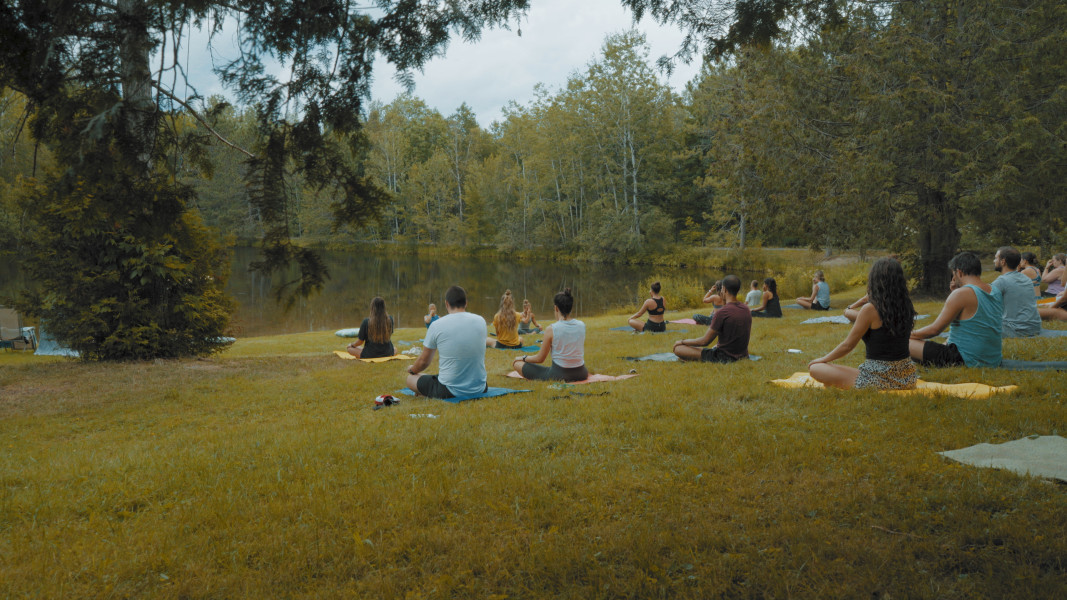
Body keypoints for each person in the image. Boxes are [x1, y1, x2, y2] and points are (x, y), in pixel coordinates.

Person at [808, 258, 918, 389]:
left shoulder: (870, 309)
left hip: (879, 379)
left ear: (875, 280)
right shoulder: (906, 304)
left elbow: (847, 345)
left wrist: (823, 359)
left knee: (816, 368)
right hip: (908, 377)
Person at [909, 252, 1003, 367]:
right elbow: (976, 321)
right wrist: (954, 292)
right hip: (992, 359)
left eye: (953, 274)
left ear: (959, 272)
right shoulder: (995, 290)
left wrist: (906, 335)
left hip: (964, 359)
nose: (953, 278)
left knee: (900, 342)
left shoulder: (962, 294)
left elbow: (934, 330)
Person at [406, 286, 488, 399]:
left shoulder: (437, 325)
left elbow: (424, 361)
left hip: (449, 390)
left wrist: (412, 370)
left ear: (446, 304)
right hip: (480, 387)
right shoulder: (481, 320)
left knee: (410, 379)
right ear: (466, 303)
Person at [512, 288, 588, 381]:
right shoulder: (582, 325)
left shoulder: (552, 329)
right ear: (570, 308)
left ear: (556, 308)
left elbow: (540, 358)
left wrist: (522, 357)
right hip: (582, 373)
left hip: (560, 375)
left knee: (517, 363)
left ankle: (519, 361)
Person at [673, 275, 752, 362]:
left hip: (723, 357)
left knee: (678, 349)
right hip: (743, 355)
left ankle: (690, 358)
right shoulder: (746, 309)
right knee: (710, 347)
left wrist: (682, 342)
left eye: (722, 288)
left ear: (724, 289)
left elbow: (704, 341)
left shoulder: (722, 313)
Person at [992, 246, 1041, 338]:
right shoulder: (1026, 279)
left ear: (1003, 261)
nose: (994, 261)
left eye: (996, 258)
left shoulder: (1001, 281)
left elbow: (983, 304)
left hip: (1015, 330)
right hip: (1035, 328)